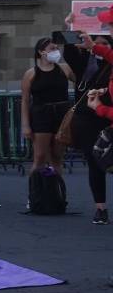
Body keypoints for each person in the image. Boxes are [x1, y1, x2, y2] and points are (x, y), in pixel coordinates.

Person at [61, 14, 113, 224]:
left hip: (106, 117)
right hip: (87, 118)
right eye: (95, 43)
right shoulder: (85, 63)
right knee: (94, 163)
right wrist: (71, 28)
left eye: (103, 43)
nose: (98, 46)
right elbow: (70, 53)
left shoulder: (109, 64)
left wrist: (101, 106)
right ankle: (100, 208)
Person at [21, 37, 74, 175]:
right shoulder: (31, 73)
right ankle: (34, 194)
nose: (56, 51)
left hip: (61, 113)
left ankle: (58, 192)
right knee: (40, 157)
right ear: (41, 52)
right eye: (52, 48)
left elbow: (82, 82)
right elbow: (25, 100)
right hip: (41, 114)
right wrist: (25, 125)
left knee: (57, 156)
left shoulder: (64, 69)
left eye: (57, 48)